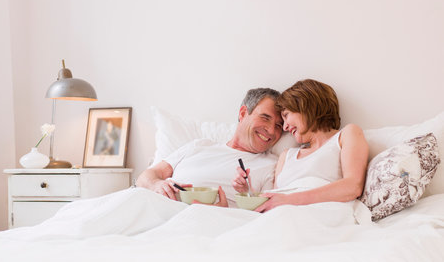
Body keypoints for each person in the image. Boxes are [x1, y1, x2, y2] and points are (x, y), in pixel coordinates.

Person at [232, 79, 369, 212]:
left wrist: (290, 200)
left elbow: (353, 186)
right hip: (282, 216)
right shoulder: (286, 156)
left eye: (286, 115)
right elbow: (274, 201)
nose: (285, 127)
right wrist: (248, 192)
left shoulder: (346, 134)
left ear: (305, 106)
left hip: (320, 213)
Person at [136, 88, 284, 207]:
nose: (271, 130)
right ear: (243, 113)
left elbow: (266, 216)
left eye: (279, 125)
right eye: (265, 118)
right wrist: (156, 184)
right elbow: (145, 177)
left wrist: (223, 212)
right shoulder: (199, 146)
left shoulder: (272, 165)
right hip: (155, 207)